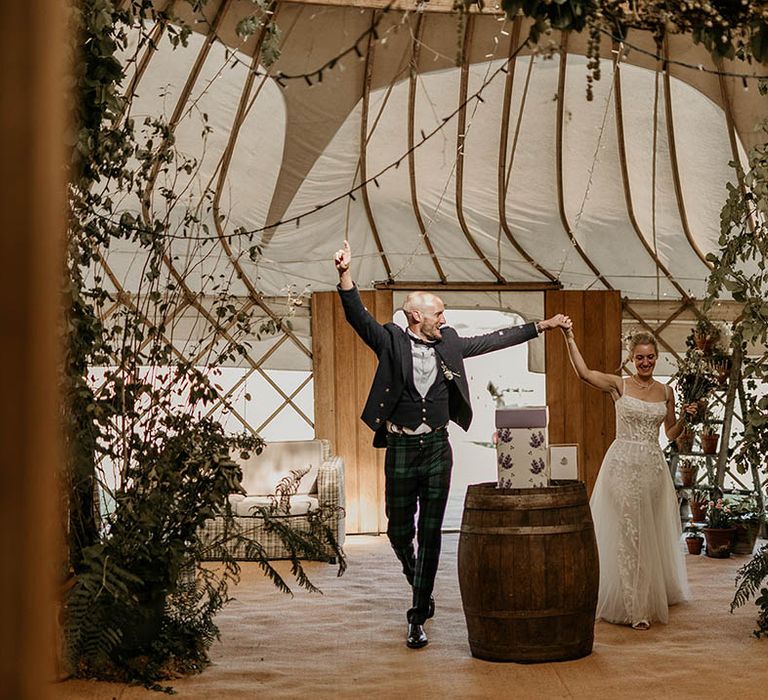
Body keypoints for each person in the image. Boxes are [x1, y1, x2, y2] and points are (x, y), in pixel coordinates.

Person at [333, 239, 570, 649]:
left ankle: (417, 613)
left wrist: (540, 326)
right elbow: (358, 318)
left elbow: (493, 340)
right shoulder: (390, 340)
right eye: (438, 312)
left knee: (431, 532)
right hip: (402, 446)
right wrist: (345, 277)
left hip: (439, 447)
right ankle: (414, 574)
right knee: (397, 530)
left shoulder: (450, 342)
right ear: (415, 316)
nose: (445, 317)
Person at [561, 326, 693, 630]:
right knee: (628, 531)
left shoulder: (666, 391)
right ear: (631, 359)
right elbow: (583, 373)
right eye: (639, 358)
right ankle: (634, 606)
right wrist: (570, 337)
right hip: (622, 464)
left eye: (650, 358)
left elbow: (671, 433)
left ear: (657, 358)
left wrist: (687, 417)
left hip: (653, 467)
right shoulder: (618, 385)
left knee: (648, 532)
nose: (645, 363)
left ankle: (647, 593)